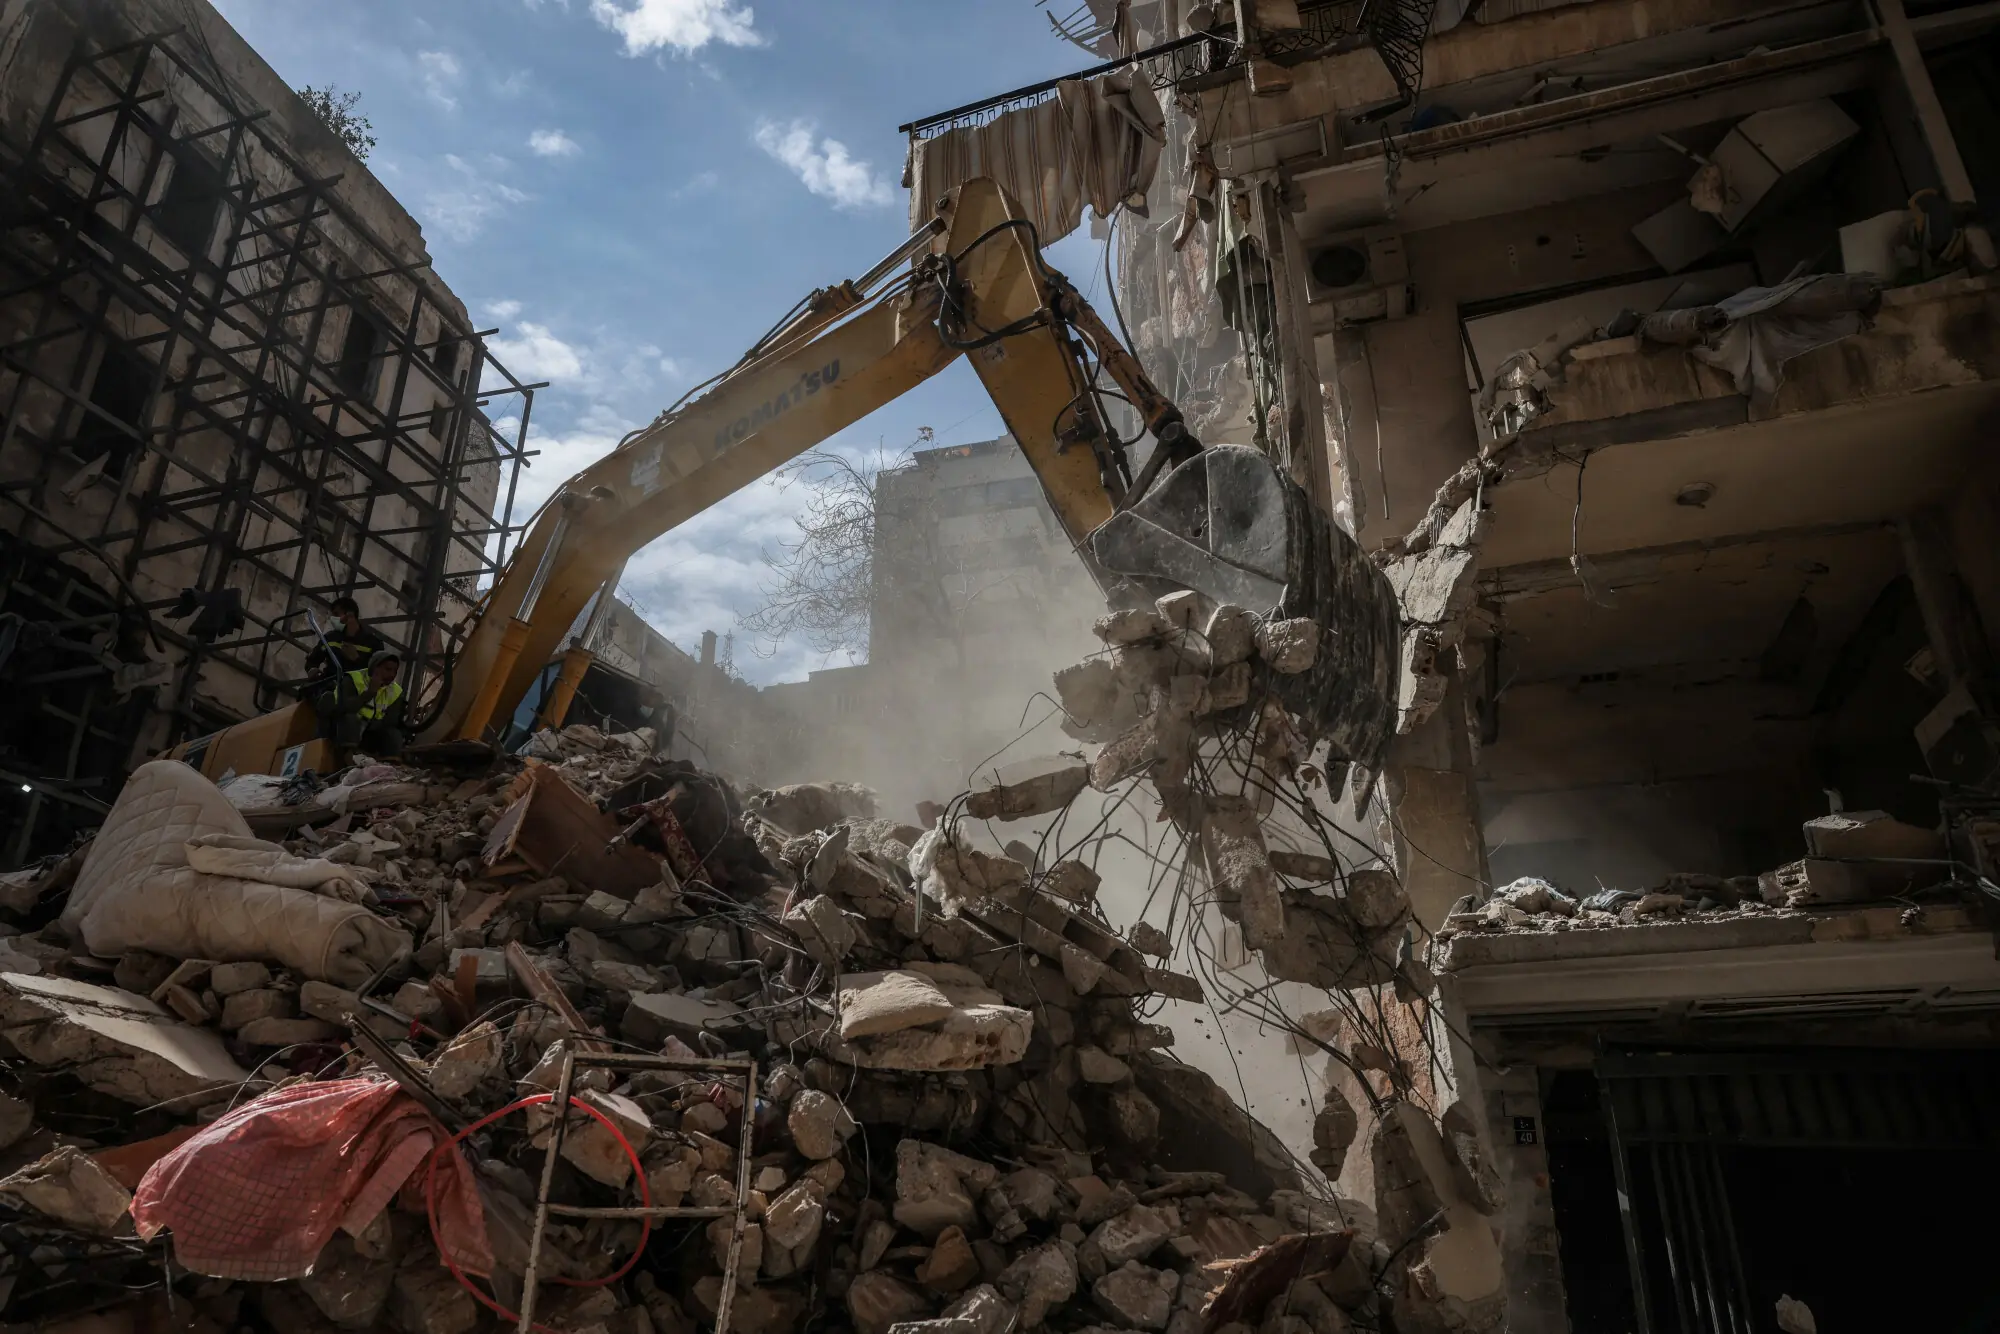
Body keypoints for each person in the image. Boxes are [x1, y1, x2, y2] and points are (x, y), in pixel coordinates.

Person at [315, 648, 407, 757]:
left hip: (369, 733)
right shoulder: (353, 679)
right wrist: (369, 693)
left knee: (394, 734)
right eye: (387, 669)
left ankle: (389, 764)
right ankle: (348, 757)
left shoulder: (395, 691)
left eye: (395, 671)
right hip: (341, 729)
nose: (392, 675)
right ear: (375, 667)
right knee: (351, 719)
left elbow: (391, 721)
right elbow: (344, 708)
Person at [308, 596, 384, 684]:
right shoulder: (330, 638)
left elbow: (378, 674)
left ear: (350, 615)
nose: (332, 619)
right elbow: (313, 659)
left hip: (354, 691)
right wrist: (312, 669)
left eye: (336, 614)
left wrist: (357, 660)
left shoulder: (373, 643)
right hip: (329, 687)